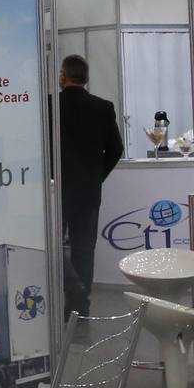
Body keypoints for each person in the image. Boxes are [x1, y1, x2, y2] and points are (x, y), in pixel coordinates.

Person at [58, 53, 124, 324]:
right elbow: (116, 149)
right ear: (86, 78)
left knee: (50, 247)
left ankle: (69, 286)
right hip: (88, 191)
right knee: (84, 250)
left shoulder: (50, 106)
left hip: (55, 191)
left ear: (63, 76)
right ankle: (79, 308)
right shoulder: (103, 107)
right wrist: (97, 176)